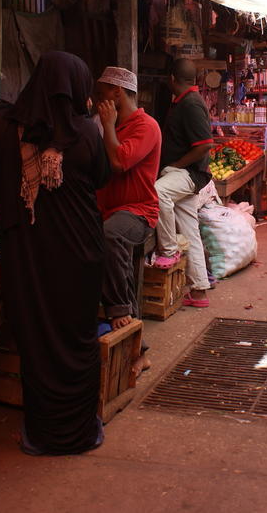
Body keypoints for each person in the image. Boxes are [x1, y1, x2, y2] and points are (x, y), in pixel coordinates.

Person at [0, 51, 110, 456]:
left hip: (26, 255)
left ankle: (42, 434)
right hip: (80, 254)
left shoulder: (1, 127)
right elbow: (102, 177)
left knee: (36, 341)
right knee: (78, 338)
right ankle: (81, 431)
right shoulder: (85, 132)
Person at [93, 67, 161, 334]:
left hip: (138, 213)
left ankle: (121, 310)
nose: (98, 100)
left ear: (117, 92)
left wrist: (107, 126)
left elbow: (119, 162)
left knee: (111, 234)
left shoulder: (146, 126)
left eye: (102, 94)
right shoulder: (106, 124)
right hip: (107, 209)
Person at [153, 58, 213, 307]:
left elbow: (205, 145)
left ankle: (168, 250)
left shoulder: (190, 104)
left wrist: (174, 167)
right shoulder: (184, 101)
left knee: (158, 192)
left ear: (172, 79)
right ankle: (199, 290)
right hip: (185, 173)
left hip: (188, 174)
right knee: (190, 231)